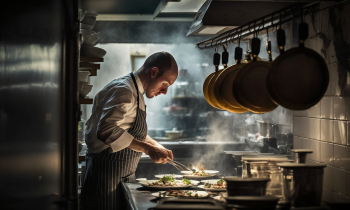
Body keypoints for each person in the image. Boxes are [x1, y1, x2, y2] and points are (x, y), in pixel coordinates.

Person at [80, 52, 178, 210]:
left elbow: (131, 132)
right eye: (165, 84)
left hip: (120, 180)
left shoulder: (136, 92)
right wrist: (147, 148)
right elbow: (106, 130)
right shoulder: (124, 90)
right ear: (154, 72)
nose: (164, 91)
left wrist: (156, 145)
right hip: (104, 180)